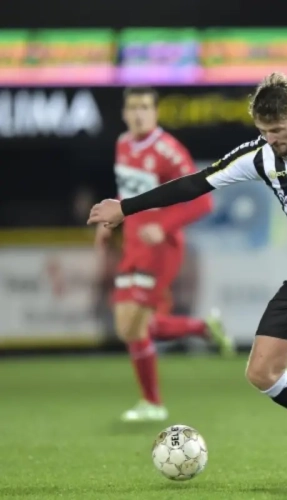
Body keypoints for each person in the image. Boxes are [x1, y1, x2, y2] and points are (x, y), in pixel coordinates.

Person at [89, 72, 287, 486]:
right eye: (264, 131)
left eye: (278, 131)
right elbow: (194, 184)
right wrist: (126, 208)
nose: (271, 139)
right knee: (261, 372)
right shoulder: (258, 155)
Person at [95, 86, 234, 424]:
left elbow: (203, 201)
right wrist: (111, 220)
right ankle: (202, 327)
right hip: (133, 244)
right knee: (128, 325)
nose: (139, 113)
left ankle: (152, 403)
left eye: (145, 107)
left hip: (161, 248)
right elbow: (128, 193)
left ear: (155, 112)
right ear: (124, 113)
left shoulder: (169, 151)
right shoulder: (123, 144)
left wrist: (164, 226)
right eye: (133, 107)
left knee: (132, 324)